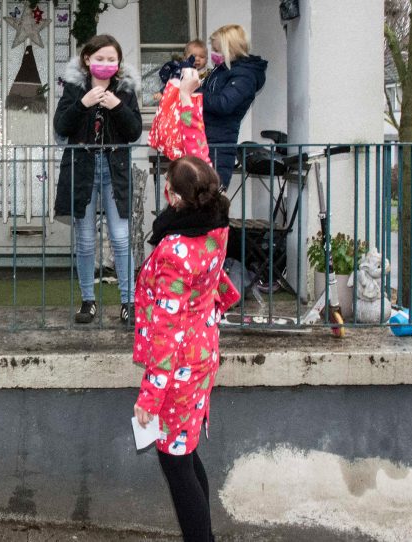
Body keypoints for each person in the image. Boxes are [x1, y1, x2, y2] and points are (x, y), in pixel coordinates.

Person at [134, 69, 240, 542]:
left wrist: (148, 398)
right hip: (202, 356)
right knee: (187, 452)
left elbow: (166, 330)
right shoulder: (216, 227)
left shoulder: (177, 251)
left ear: (172, 196)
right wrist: (184, 97)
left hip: (178, 367)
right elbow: (194, 156)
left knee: (175, 463)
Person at [53, 34, 143, 324]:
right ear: (87, 60)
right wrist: (83, 103)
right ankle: (88, 300)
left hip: (113, 170)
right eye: (100, 58)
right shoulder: (74, 88)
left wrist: (116, 105)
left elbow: (134, 131)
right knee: (86, 239)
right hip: (82, 169)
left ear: (118, 64)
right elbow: (61, 126)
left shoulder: (126, 91)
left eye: (111, 59)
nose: (105, 63)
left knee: (120, 237)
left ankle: (128, 301)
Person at [200, 24, 267, 191]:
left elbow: (224, 104)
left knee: (210, 199)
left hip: (218, 145)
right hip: (205, 140)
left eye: (217, 50)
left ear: (229, 48)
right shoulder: (222, 71)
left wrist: (195, 92)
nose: (215, 55)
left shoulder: (244, 75)